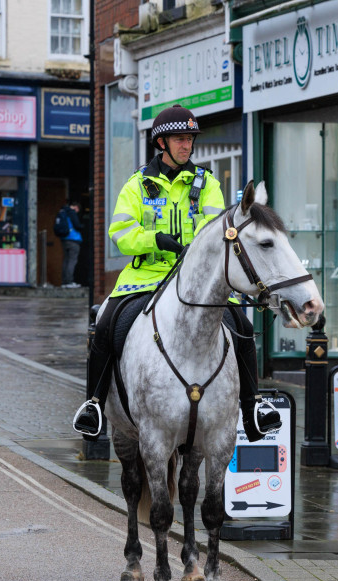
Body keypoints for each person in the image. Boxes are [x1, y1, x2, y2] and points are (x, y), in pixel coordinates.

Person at [72, 104, 281, 442]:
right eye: (180, 139)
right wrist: (155, 239)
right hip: (145, 278)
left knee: (241, 326)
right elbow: (120, 234)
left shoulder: (208, 184)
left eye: (190, 139)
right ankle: (94, 404)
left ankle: (253, 405)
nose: (187, 145)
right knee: (107, 324)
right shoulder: (136, 185)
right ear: (161, 143)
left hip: (195, 282)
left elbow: (216, 231)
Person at [58, 200, 83, 288]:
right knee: (72, 261)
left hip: (65, 239)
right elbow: (77, 225)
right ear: (76, 207)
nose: (77, 212)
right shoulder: (71, 212)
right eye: (77, 210)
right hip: (73, 239)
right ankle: (69, 281)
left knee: (66, 260)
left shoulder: (63, 211)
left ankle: (64, 282)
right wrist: (82, 226)